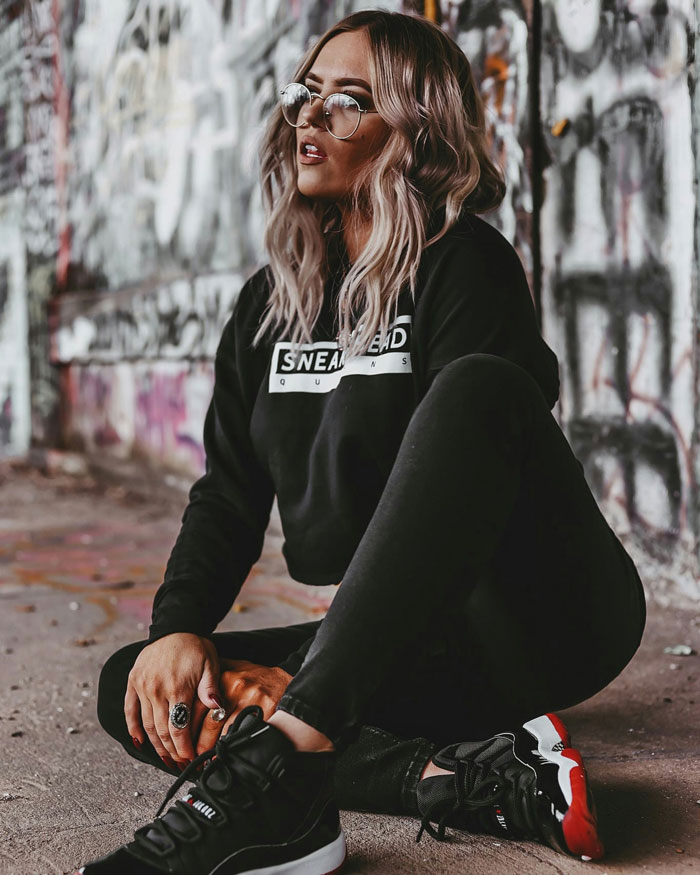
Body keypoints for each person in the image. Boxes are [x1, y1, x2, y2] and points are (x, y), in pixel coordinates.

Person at [76, 10, 646, 874]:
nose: (310, 114)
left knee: (480, 385)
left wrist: (311, 677)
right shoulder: (269, 306)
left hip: (540, 617)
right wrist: (178, 629)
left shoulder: (466, 265)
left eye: (349, 100)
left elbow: (475, 461)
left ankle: (289, 747)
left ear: (415, 134)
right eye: (306, 93)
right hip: (402, 647)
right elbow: (228, 494)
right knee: (142, 684)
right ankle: (460, 781)